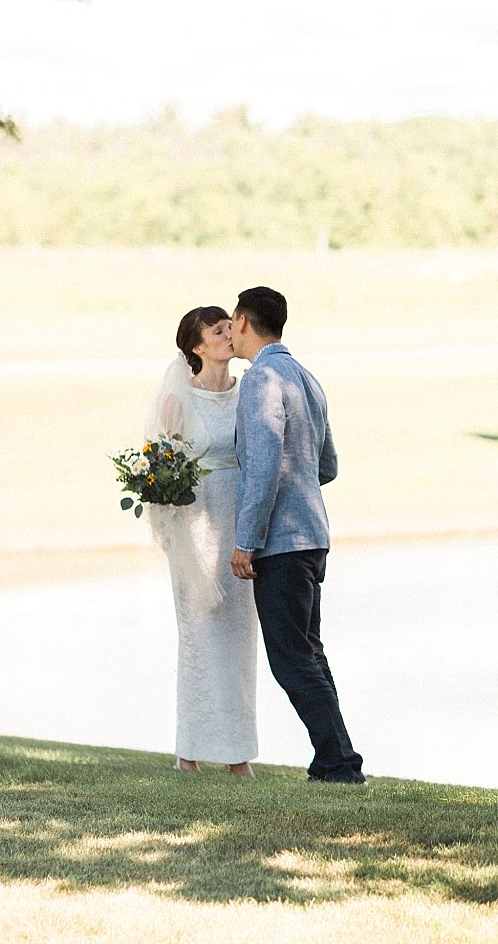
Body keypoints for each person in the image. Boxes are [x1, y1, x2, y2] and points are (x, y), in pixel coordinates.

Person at [229, 284, 365, 784]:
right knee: (309, 653)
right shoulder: (306, 377)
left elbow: (262, 469)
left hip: (281, 543)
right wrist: (299, 475)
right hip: (313, 533)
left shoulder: (261, 379)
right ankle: (336, 759)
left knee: (291, 660)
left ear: (243, 321)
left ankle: (339, 763)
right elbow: (325, 465)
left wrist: (246, 541)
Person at [145, 305, 258, 775]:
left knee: (240, 638)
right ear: (197, 347)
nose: (229, 334)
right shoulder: (179, 401)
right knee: (198, 636)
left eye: (230, 326)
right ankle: (187, 752)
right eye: (218, 331)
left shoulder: (247, 393)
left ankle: (238, 756)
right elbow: (160, 472)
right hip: (195, 527)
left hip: (238, 524)